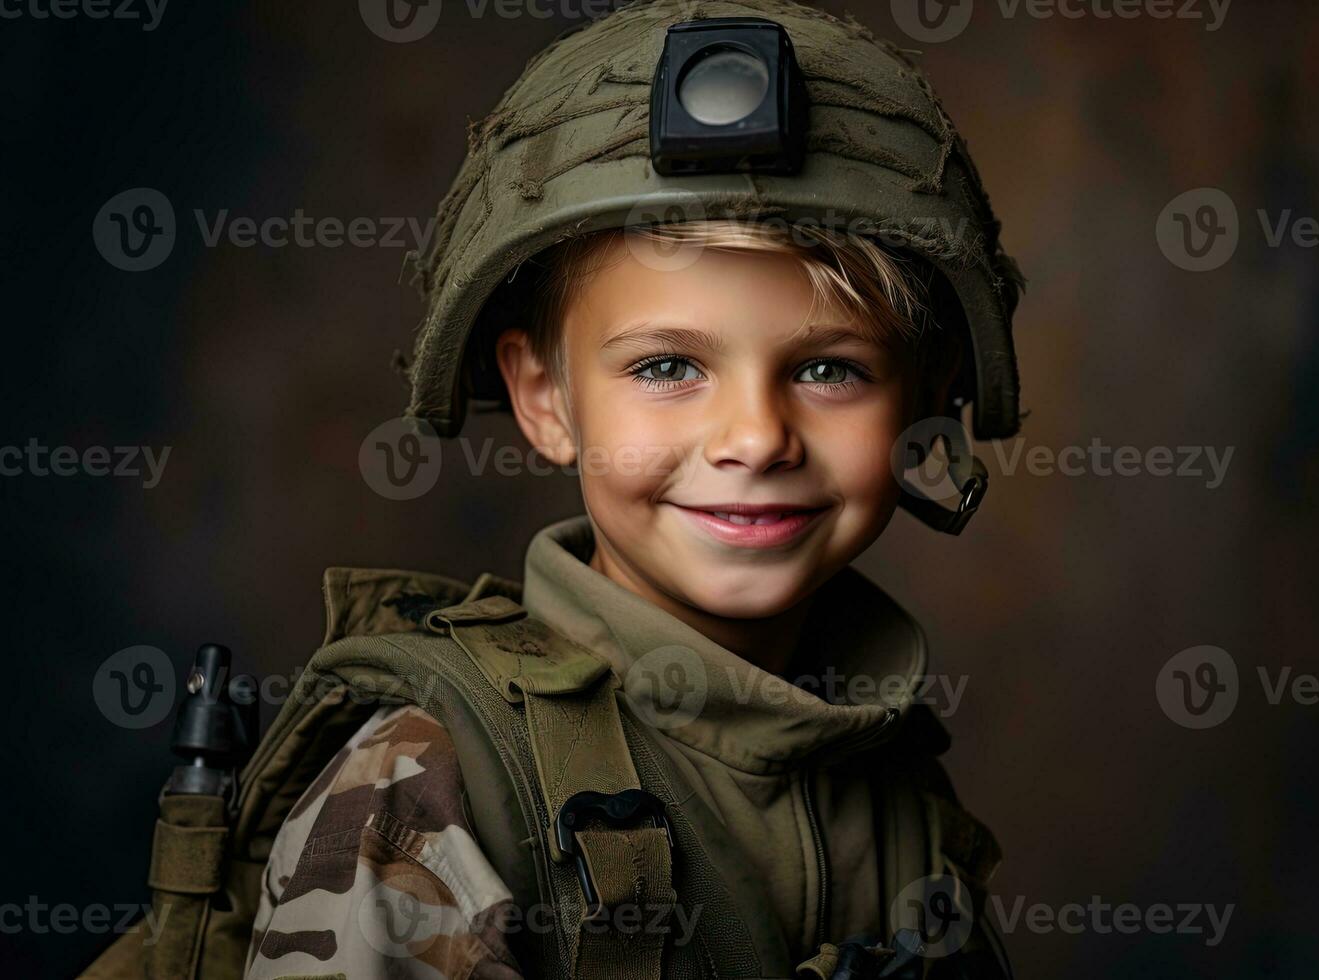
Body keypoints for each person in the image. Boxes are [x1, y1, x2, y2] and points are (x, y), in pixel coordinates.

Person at [87, 2, 1026, 977]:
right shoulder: (429, 782)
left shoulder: (891, 775)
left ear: (927, 397)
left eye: (831, 369)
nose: (755, 437)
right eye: (666, 367)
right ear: (545, 398)